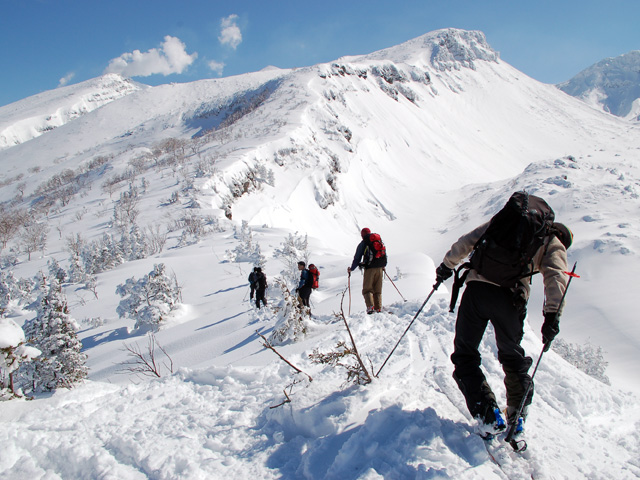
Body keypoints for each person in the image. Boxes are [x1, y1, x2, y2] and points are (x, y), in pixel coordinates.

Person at [435, 202, 570, 437]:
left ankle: (487, 414)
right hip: (510, 300)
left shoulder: (507, 221)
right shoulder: (551, 241)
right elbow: (556, 276)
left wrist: (446, 266)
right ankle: (516, 416)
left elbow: (468, 240)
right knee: (512, 359)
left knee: (465, 354)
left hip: (476, 291)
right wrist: (552, 316)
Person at [347, 228, 387, 314]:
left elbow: (357, 258)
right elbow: (383, 254)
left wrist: (352, 268)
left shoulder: (364, 243)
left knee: (367, 289)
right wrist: (383, 266)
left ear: (362, 235)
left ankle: (370, 307)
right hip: (380, 268)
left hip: (369, 268)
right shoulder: (378, 240)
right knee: (377, 290)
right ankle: (378, 308)